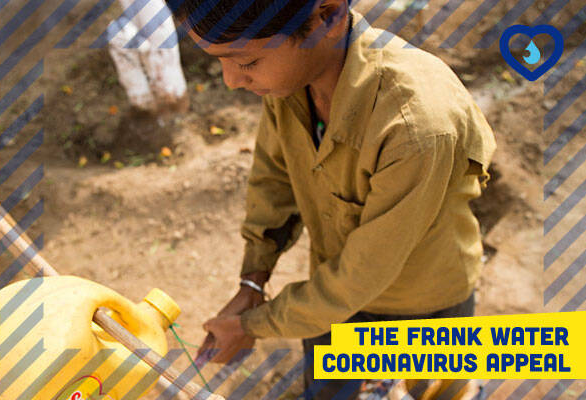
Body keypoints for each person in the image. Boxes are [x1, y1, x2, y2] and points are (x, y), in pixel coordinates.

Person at [166, 0, 497, 398]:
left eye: (247, 63)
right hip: (332, 291)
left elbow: (363, 273)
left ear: (326, 15)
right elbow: (273, 181)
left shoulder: (417, 125)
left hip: (425, 304)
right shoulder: (292, 80)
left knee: (436, 392)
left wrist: (252, 325)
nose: (231, 80)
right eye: (221, 61)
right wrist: (252, 282)